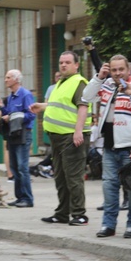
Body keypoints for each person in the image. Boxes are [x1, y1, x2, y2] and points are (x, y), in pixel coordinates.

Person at [81, 55, 131, 238]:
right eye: (114, 70)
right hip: (109, 146)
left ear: (128, 70)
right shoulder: (107, 85)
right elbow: (86, 97)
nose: (117, 73)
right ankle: (108, 225)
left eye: (121, 70)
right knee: (109, 186)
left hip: (129, 148)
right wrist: (99, 77)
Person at [30, 51, 91, 226]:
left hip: (71, 138)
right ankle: (62, 213)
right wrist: (42, 107)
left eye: (67, 62)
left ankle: (80, 214)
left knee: (73, 177)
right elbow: (60, 106)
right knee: (60, 177)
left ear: (76, 65)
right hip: (57, 139)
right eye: (61, 62)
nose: (63, 65)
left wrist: (78, 131)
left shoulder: (79, 83)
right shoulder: (61, 83)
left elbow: (83, 107)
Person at [0, 70, 35, 207]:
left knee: (23, 167)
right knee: (15, 167)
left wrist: (13, 117)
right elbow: (8, 114)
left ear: (16, 80)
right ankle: (19, 197)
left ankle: (28, 199)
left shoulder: (25, 95)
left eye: (8, 77)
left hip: (23, 133)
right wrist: (2, 108)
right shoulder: (10, 97)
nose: (5, 80)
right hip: (12, 133)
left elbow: (31, 114)